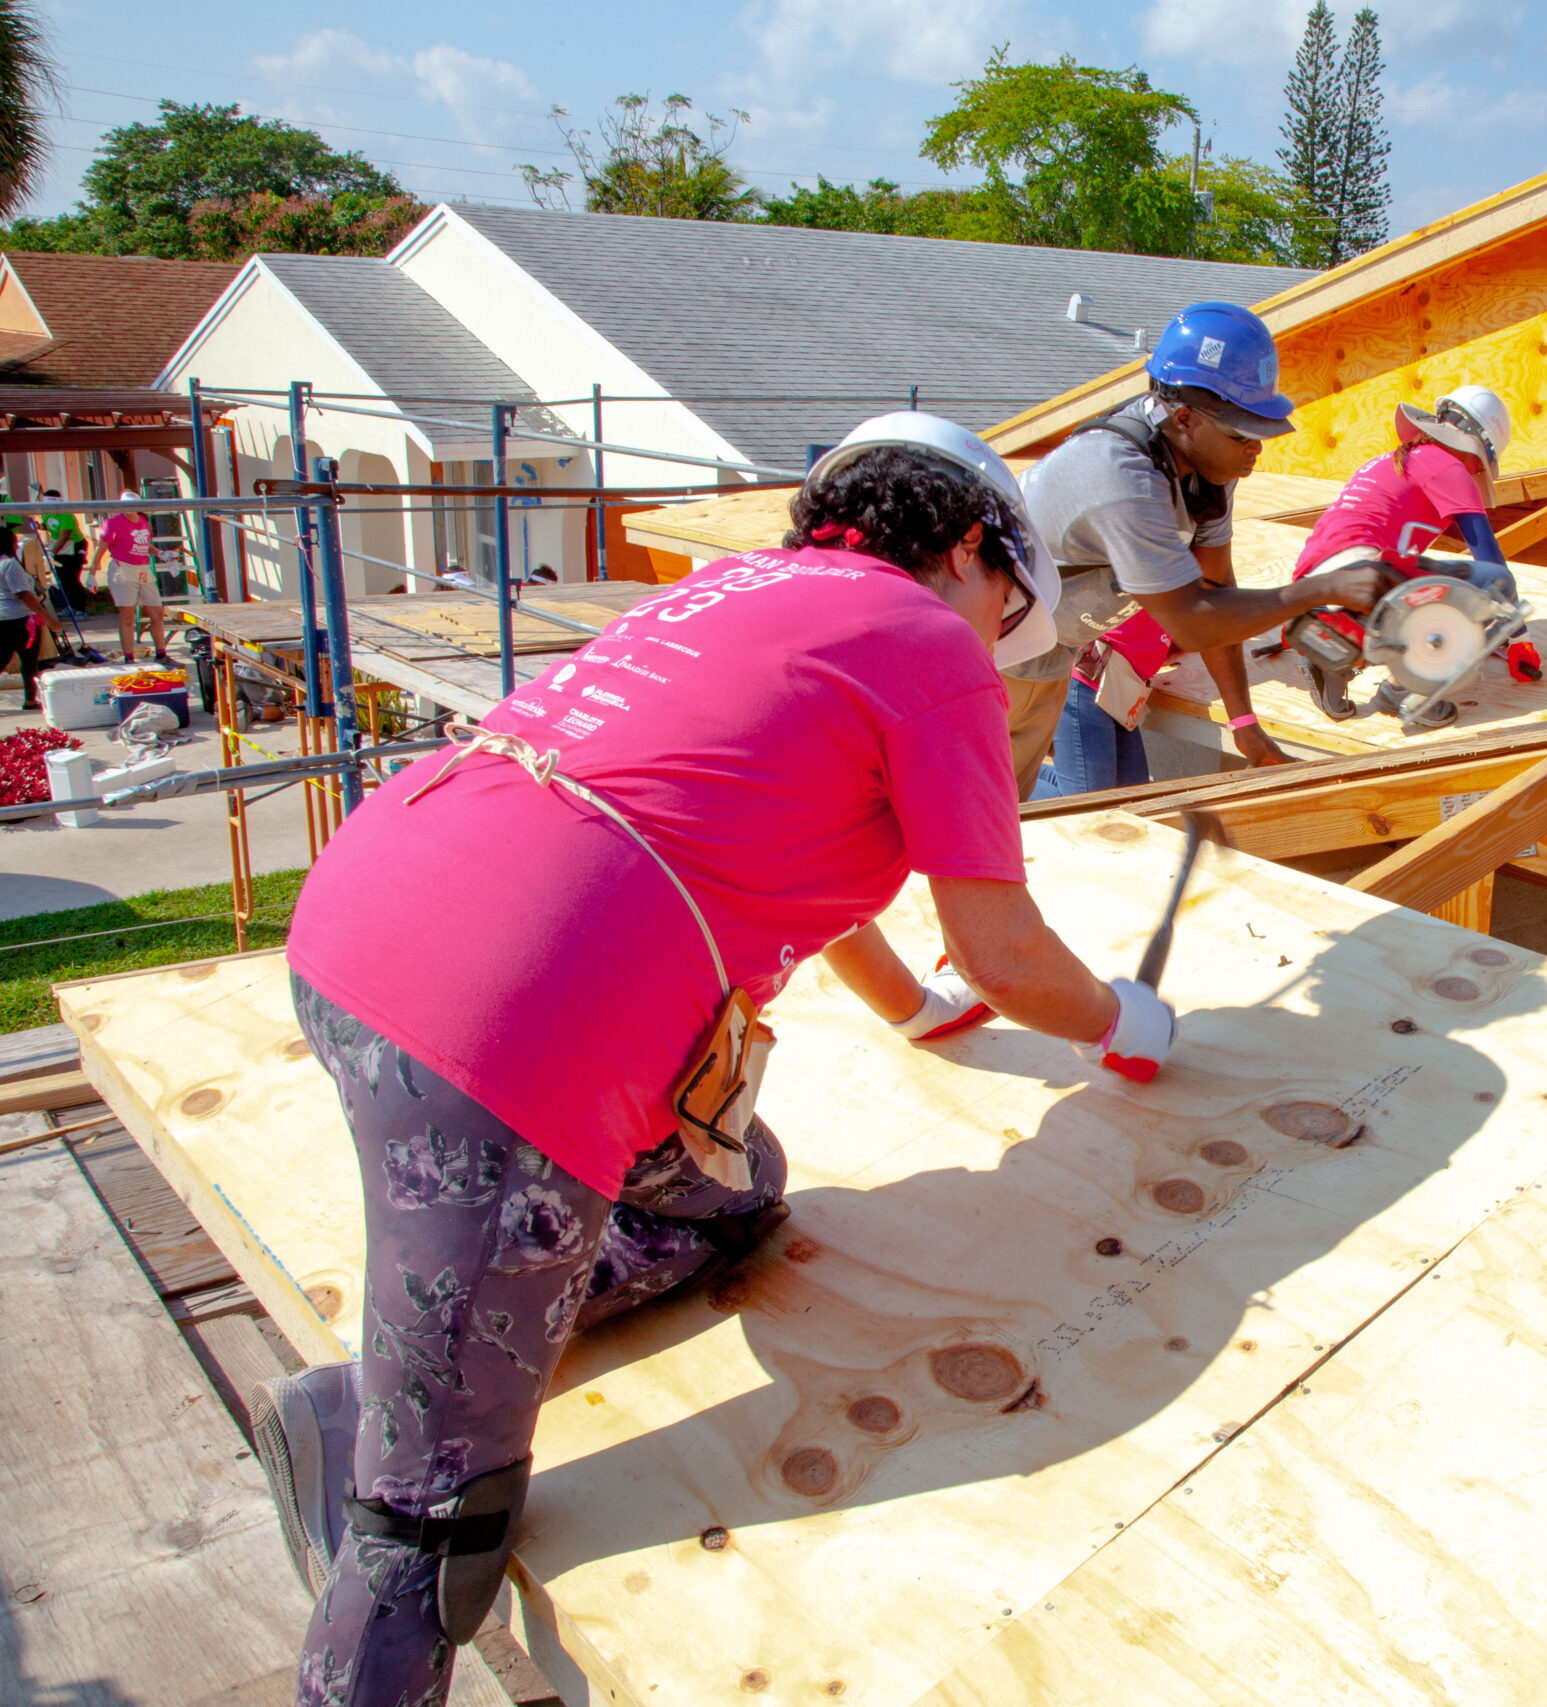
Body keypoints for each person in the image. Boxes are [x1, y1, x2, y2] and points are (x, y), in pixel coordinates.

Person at [243, 414, 1176, 1707]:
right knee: (433, 1542)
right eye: (1006, 606)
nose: (997, 642)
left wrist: (914, 1010)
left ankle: (417, 1368)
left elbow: (785, 847)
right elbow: (1006, 949)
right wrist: (1124, 1020)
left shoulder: (734, 594)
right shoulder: (927, 640)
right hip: (505, 1024)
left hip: (370, 916)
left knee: (731, 1193)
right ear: (970, 546)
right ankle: (391, 1422)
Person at [1014, 301, 1394, 799]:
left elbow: (1217, 593)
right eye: (1244, 434)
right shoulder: (1122, 477)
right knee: (1037, 811)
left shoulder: (1207, 470)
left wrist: (1245, 726)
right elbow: (1193, 620)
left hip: (1053, 651)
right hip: (991, 651)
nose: (1256, 449)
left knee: (1036, 806)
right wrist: (1320, 590)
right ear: (1186, 418)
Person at [1285, 385, 1543, 728]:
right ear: (1474, 450)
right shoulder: (1450, 467)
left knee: (1423, 580)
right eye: (1479, 465)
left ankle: (1334, 656)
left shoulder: (1394, 459)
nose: (1476, 473)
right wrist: (1518, 637)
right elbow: (1491, 561)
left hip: (1314, 583)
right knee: (1493, 583)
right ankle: (1402, 690)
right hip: (1364, 571)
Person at [97, 490, 170, 663]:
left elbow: (144, 545)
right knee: (128, 616)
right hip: (123, 569)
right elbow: (101, 548)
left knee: (157, 613)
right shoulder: (113, 523)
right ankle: (129, 658)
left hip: (143, 569)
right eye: (125, 504)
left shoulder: (143, 521)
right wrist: (92, 572)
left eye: (132, 504)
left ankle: (161, 655)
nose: (128, 508)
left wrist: (161, 553)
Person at [0, 524, 62, 711]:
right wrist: (48, 617)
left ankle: (30, 699)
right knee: (28, 661)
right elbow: (24, 595)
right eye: (15, 540)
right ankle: (30, 700)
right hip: (19, 618)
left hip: (3, 617)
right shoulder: (10, 564)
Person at [40, 490, 85, 617]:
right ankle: (69, 606)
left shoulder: (65, 514)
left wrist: (52, 553)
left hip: (73, 546)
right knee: (62, 578)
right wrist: (40, 526)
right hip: (58, 546)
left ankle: (80, 608)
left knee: (71, 578)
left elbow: (65, 536)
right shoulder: (45, 513)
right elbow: (49, 525)